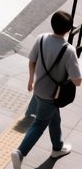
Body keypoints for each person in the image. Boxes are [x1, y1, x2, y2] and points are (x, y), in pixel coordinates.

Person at [10, 10, 80, 169]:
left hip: (38, 90)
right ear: (69, 29)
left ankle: (57, 147)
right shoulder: (69, 50)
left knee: (54, 118)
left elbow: (31, 61)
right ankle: (20, 153)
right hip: (52, 95)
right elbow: (77, 81)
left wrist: (30, 80)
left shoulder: (41, 38)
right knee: (40, 123)